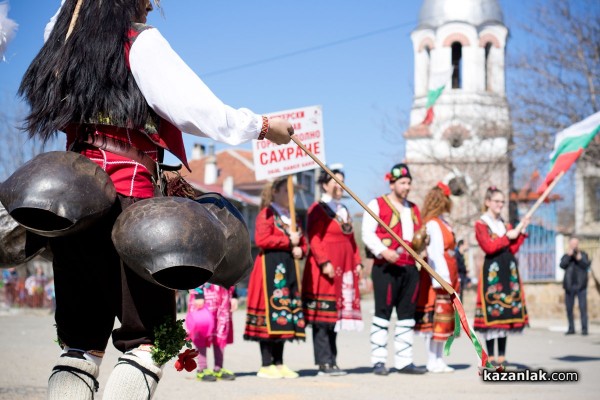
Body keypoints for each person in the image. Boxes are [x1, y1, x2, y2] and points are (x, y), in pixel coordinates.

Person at [17, 1, 294, 399]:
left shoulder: (62, 40)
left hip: (72, 205)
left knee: (78, 346)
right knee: (148, 342)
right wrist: (263, 126)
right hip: (133, 206)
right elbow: (200, 111)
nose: (150, 5)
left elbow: (62, 15)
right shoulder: (141, 42)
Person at [361, 163, 427, 376]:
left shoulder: (414, 209)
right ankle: (379, 361)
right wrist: (383, 251)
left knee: (407, 315)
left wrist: (423, 248)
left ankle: (404, 361)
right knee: (383, 313)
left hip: (410, 268)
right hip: (386, 267)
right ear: (392, 183)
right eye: (403, 183)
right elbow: (367, 233)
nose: (407, 187)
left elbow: (418, 236)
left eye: (409, 183)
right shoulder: (378, 204)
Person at [243, 176, 307, 379]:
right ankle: (265, 364)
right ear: (276, 193)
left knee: (284, 314)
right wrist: (289, 240)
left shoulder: (292, 217)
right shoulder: (266, 213)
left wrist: (300, 250)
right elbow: (262, 239)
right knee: (269, 312)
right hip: (269, 269)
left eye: (293, 193)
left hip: (287, 268)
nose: (291, 196)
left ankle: (279, 363)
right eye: (287, 192)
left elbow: (302, 242)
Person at [302, 167, 363, 376]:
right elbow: (315, 238)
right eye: (335, 181)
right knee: (323, 317)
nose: (339, 185)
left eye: (342, 182)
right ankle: (323, 362)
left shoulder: (344, 209)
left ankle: (333, 360)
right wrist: (323, 261)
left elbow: (352, 241)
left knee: (335, 318)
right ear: (325, 184)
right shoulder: (317, 209)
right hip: (324, 269)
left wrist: (357, 263)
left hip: (343, 269)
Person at [473, 186, 530, 368]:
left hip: (508, 270)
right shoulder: (481, 224)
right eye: (497, 201)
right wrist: (508, 236)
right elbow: (489, 247)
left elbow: (511, 249)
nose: (500, 205)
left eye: (502, 202)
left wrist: (520, 232)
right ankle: (490, 356)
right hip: (493, 273)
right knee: (492, 311)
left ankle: (502, 356)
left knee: (505, 310)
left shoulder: (505, 225)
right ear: (487, 202)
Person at [414, 182, 459, 373]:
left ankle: (439, 358)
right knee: (435, 317)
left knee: (445, 317)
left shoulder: (443, 222)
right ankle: (432, 358)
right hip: (438, 275)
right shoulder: (433, 224)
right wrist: (442, 279)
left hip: (448, 272)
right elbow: (435, 253)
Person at [185, 283, 238, 382]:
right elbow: (195, 270)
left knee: (220, 331)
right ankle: (202, 369)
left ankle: (218, 368)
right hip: (204, 294)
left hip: (223, 294)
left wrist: (234, 295)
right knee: (201, 330)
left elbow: (232, 270)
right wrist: (198, 293)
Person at [560, 236, 591, 336]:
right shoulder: (566, 255)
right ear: (569, 244)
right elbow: (562, 265)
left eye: (575, 244)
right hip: (569, 286)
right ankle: (571, 328)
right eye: (572, 244)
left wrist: (580, 259)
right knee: (569, 308)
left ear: (578, 245)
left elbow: (587, 265)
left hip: (581, 286)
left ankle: (584, 328)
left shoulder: (583, 254)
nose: (574, 246)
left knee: (583, 308)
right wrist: (569, 256)